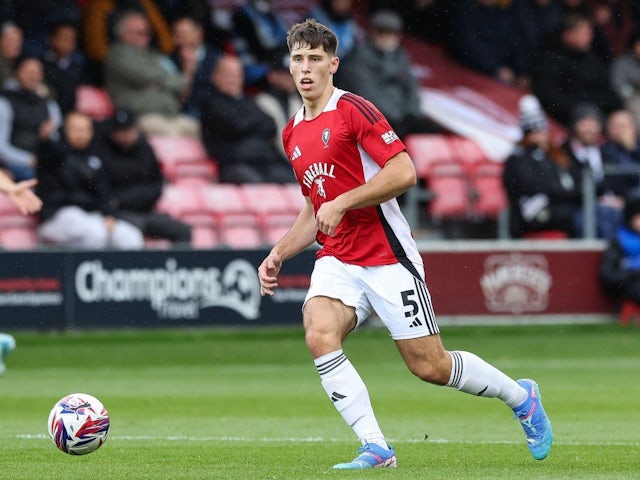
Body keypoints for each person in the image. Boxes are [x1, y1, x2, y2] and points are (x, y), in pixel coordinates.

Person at [257, 18, 553, 469]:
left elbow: (403, 172)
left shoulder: (354, 110)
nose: (305, 68)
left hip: (386, 256)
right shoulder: (292, 130)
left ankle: (521, 396)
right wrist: (279, 252)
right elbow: (315, 206)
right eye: (298, 59)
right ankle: (376, 447)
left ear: (333, 65)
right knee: (319, 333)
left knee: (429, 366)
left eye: (315, 59)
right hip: (338, 257)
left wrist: (343, 202)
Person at [36, 111, 144, 249]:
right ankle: (89, 270)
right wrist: (45, 141)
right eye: (76, 129)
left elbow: (104, 191)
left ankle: (118, 270)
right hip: (57, 217)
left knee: (131, 237)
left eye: (86, 129)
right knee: (95, 233)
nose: (81, 134)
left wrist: (108, 215)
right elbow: (45, 155)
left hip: (90, 216)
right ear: (65, 130)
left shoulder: (96, 156)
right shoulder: (55, 153)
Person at [96, 109, 192, 245]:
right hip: (119, 214)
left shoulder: (145, 149)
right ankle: (139, 266)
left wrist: (126, 198)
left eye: (128, 130)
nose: (124, 136)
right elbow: (102, 189)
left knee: (182, 230)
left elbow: (157, 185)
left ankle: (179, 265)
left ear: (135, 129)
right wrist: (114, 205)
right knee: (133, 233)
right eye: (120, 131)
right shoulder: (103, 152)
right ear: (113, 132)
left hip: (146, 211)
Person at [338, 10, 437, 139]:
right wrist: (397, 119)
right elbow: (368, 97)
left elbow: (412, 87)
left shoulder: (400, 56)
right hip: (374, 122)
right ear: (372, 32)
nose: (388, 37)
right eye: (382, 32)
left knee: (432, 134)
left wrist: (411, 114)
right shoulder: (359, 59)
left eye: (393, 33)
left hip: (403, 119)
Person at [200, 54, 295, 183]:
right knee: (259, 190)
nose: (233, 79)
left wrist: (248, 125)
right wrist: (254, 125)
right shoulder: (211, 103)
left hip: (264, 163)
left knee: (295, 184)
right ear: (215, 77)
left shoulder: (248, 100)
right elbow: (236, 125)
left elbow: (270, 124)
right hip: (234, 165)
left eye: (237, 75)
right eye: (229, 74)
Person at [104, 10, 198, 137]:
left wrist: (157, 84)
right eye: (140, 33)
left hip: (171, 116)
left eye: (148, 33)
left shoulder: (153, 55)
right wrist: (165, 83)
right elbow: (144, 76)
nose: (146, 37)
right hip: (141, 118)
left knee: (200, 130)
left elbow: (177, 84)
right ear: (124, 34)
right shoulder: (117, 54)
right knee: (172, 135)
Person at [502, 94, 582, 237]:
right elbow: (533, 185)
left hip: (560, 205)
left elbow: (575, 180)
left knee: (586, 213)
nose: (540, 137)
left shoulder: (557, 156)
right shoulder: (517, 159)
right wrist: (564, 192)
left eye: (542, 132)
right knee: (577, 216)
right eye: (534, 133)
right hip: (534, 213)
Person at [531, 13, 622, 126]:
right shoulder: (551, 60)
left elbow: (608, 91)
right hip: (568, 118)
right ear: (568, 35)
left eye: (589, 34)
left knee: (623, 118)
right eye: (583, 33)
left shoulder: (592, 59)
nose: (588, 38)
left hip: (599, 113)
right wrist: (582, 105)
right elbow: (550, 98)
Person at [562, 103, 624, 238]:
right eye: (584, 123)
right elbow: (564, 186)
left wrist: (621, 200)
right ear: (574, 126)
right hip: (578, 208)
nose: (589, 129)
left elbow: (621, 181)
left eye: (594, 123)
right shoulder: (562, 153)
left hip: (612, 208)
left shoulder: (608, 153)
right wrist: (597, 199)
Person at [0, 55, 62, 181]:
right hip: (15, 163)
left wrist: (47, 136)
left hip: (43, 160)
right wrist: (29, 160)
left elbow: (57, 141)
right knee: (30, 175)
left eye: (37, 72)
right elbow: (1, 148)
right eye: (28, 71)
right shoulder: (4, 103)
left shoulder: (49, 104)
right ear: (16, 73)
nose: (32, 76)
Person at [170, 16, 221, 119]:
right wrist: (188, 71)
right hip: (188, 112)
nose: (178, 39)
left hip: (217, 109)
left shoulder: (217, 57)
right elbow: (177, 98)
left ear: (199, 34)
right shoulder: (170, 60)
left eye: (183, 34)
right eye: (176, 34)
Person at [599, 190, 640, 312]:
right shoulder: (620, 240)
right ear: (631, 217)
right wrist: (634, 273)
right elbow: (608, 276)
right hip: (632, 286)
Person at [41, 20, 87, 115]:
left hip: (70, 115)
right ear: (51, 39)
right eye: (63, 37)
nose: (67, 42)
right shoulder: (40, 63)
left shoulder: (78, 67)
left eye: (71, 38)